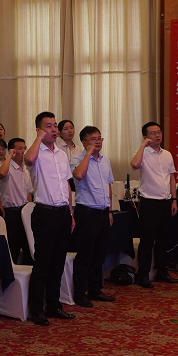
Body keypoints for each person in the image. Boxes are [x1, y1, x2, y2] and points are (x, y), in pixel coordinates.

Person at [24, 112, 73, 324]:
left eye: (55, 126)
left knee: (58, 263)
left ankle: (54, 305)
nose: (54, 129)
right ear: (39, 130)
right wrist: (38, 138)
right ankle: (37, 310)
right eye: (48, 126)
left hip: (63, 213)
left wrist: (70, 213)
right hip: (44, 213)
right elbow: (28, 159)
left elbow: (67, 185)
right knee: (43, 264)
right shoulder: (36, 152)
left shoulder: (61, 154)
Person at [130, 122, 178, 289]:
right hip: (149, 203)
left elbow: (171, 178)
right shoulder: (142, 153)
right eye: (153, 133)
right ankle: (143, 275)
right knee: (147, 241)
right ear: (145, 137)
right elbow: (134, 165)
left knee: (163, 240)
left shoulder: (167, 154)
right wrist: (143, 146)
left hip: (165, 202)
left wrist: (174, 200)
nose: (157, 135)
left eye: (159, 132)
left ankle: (162, 272)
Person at [70, 126, 115, 307]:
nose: (97, 142)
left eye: (99, 138)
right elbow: (78, 175)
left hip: (103, 213)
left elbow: (108, 186)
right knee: (85, 255)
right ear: (84, 142)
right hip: (86, 212)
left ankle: (95, 289)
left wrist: (110, 210)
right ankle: (80, 293)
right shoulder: (77, 159)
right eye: (93, 139)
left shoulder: (105, 161)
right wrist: (88, 154)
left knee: (99, 255)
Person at [0, 137, 34, 265]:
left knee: (28, 245)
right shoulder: (6, 166)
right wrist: (9, 157)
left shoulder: (25, 169)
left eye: (24, 148)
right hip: (11, 212)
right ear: (12, 151)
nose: (23, 151)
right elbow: (2, 173)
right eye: (20, 148)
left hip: (24, 211)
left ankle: (28, 272)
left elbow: (29, 192)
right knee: (13, 246)